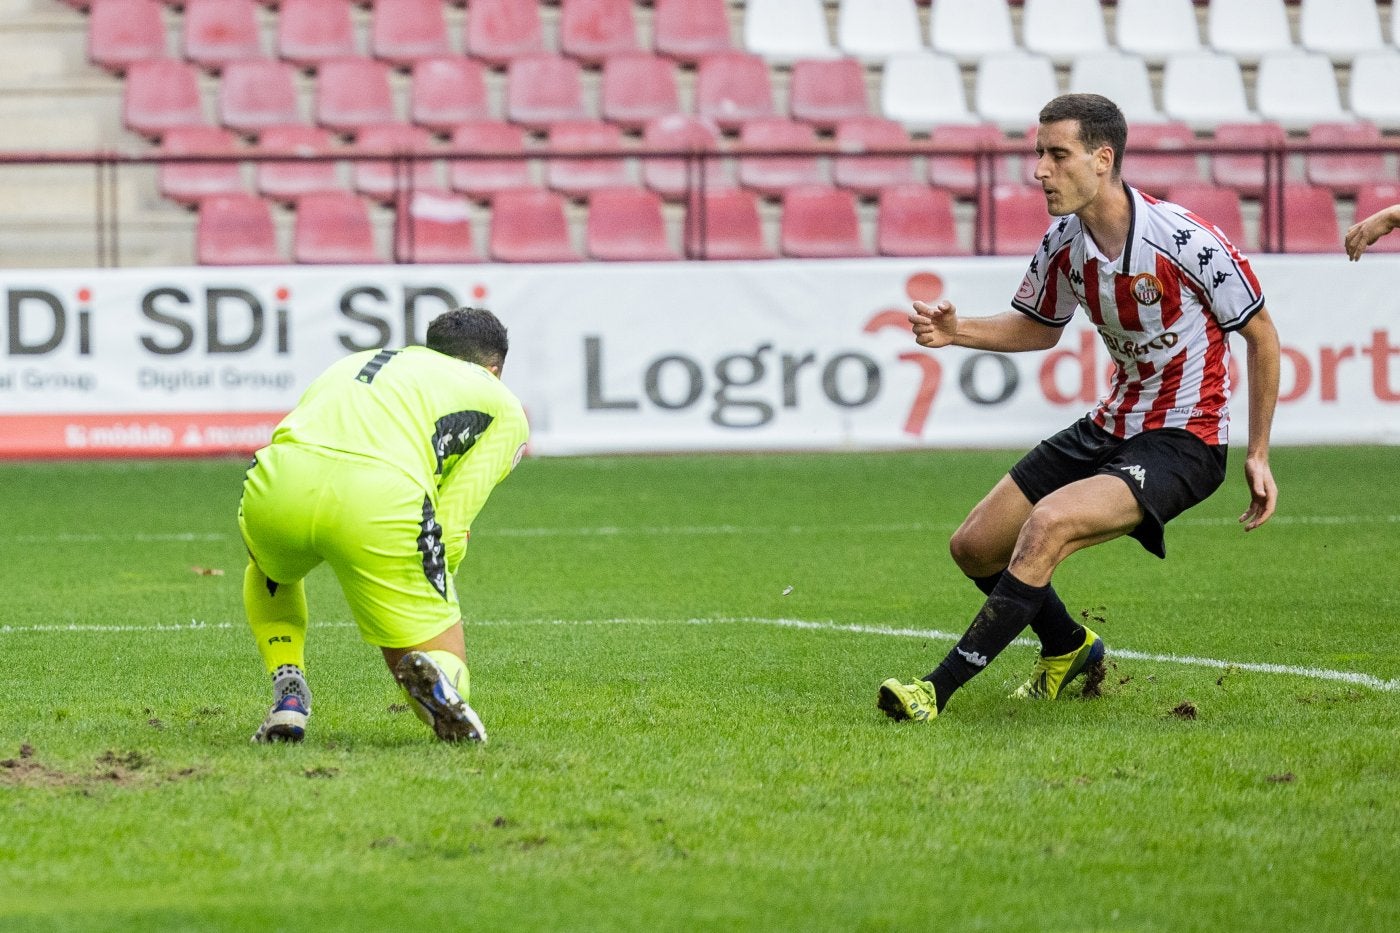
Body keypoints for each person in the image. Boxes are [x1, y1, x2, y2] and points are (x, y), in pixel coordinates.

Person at [877, 94, 1280, 722]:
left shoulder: (1186, 242)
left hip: (1184, 439)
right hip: (1110, 422)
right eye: (1038, 153)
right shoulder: (1064, 241)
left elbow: (1261, 335)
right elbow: (1038, 327)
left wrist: (1256, 452)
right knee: (975, 546)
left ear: (1102, 158)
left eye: (1056, 155)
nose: (1039, 169)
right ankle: (1068, 648)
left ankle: (935, 690)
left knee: (1048, 525)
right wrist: (958, 333)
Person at [238, 306, 529, 744]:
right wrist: (432, 582)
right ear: (494, 368)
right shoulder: (503, 405)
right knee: (438, 657)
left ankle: (289, 692)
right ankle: (441, 683)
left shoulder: (358, 360)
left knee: (268, 572)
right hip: (380, 501)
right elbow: (452, 520)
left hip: (276, 484)